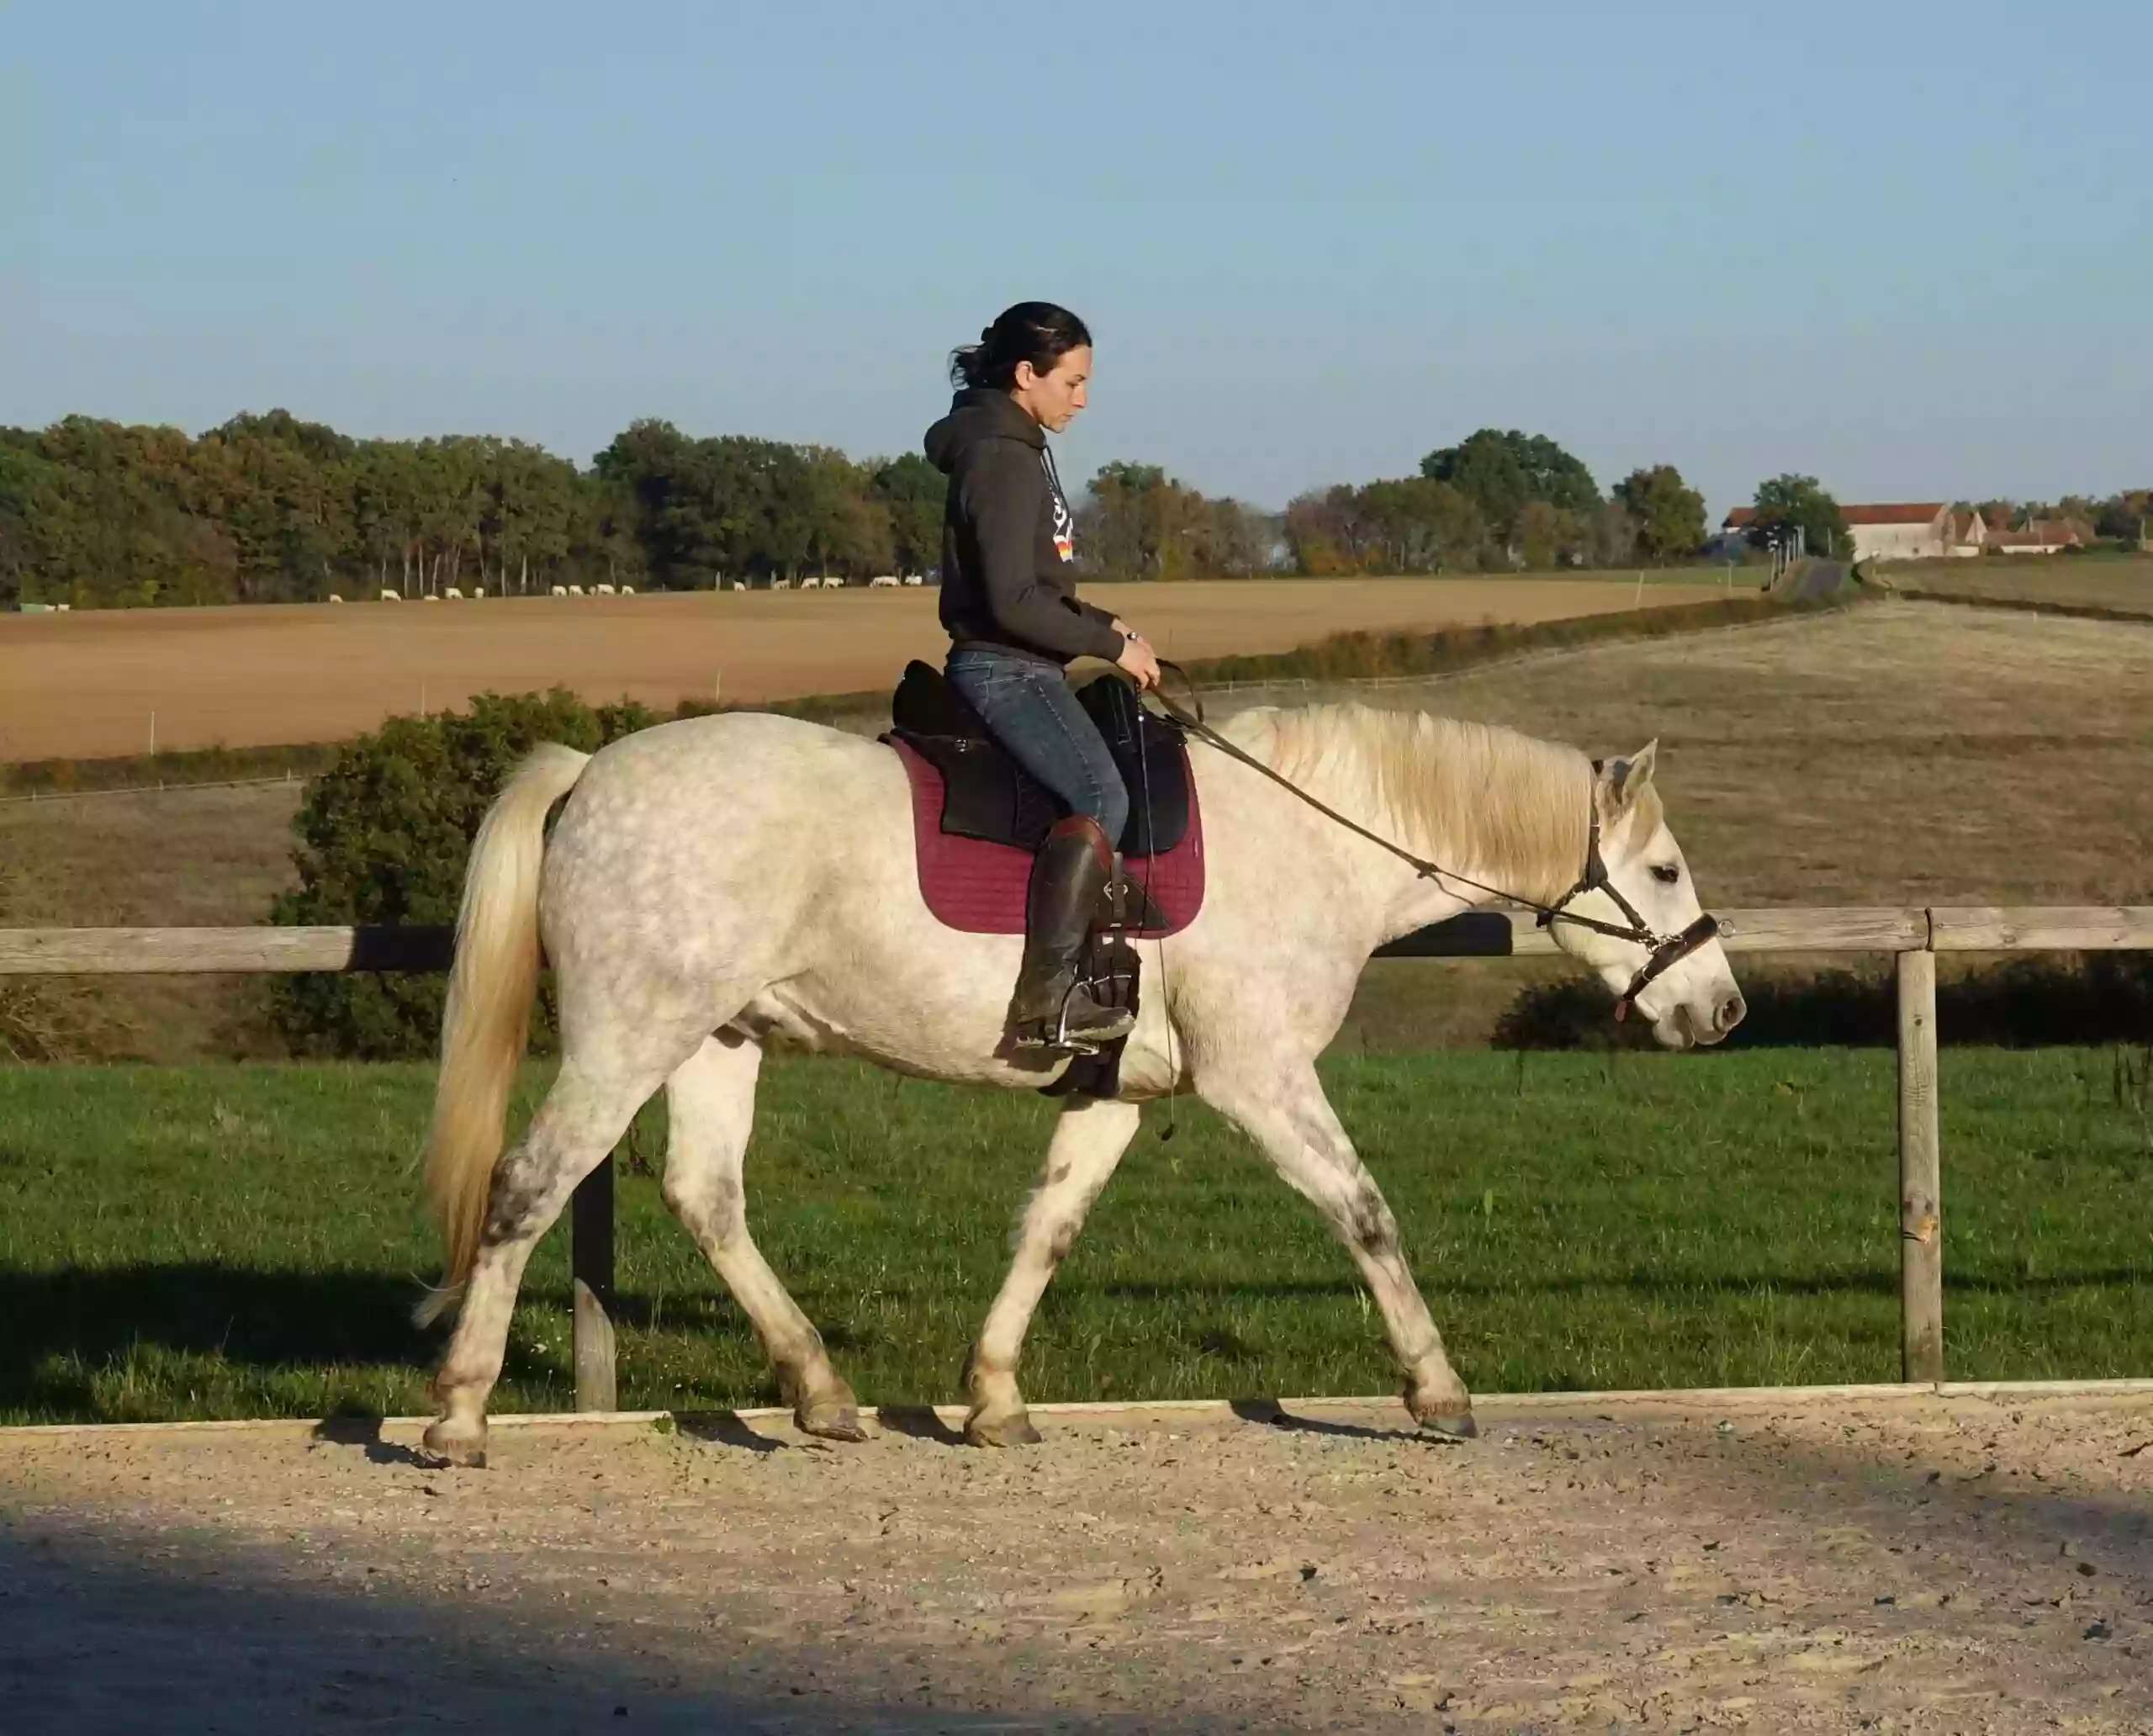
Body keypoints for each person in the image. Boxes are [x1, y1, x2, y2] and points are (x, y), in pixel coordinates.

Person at [923, 301, 1162, 1053]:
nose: (1082, 399)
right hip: (1007, 669)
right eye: (1074, 381)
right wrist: (1106, 647)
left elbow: (1038, 584)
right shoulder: (1001, 456)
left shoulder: (1016, 445)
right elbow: (1010, 601)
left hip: (1027, 658)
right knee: (1101, 794)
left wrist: (1104, 623)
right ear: (1027, 375)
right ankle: (1047, 997)